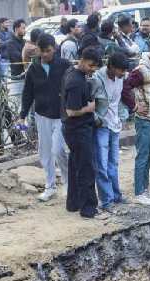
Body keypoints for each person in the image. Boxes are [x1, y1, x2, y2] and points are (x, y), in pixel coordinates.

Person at [21, 33, 70, 201]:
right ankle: (50, 186)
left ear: (54, 49)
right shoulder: (33, 69)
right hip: (42, 115)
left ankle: (68, 182)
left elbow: (73, 86)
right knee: (45, 153)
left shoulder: (64, 65)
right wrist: (22, 115)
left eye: (48, 51)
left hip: (61, 116)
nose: (45, 55)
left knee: (58, 150)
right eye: (42, 51)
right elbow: (27, 93)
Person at [122, 42, 150, 202]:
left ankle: (146, 189)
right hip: (145, 120)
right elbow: (125, 87)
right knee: (142, 155)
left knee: (148, 155)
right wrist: (134, 106)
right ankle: (139, 192)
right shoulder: (140, 71)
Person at [61, 46, 100, 219]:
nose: (93, 69)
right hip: (77, 129)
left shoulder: (74, 72)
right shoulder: (75, 81)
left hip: (74, 129)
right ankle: (88, 209)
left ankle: (73, 203)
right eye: (91, 65)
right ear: (82, 60)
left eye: (96, 67)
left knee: (75, 165)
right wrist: (89, 108)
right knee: (86, 168)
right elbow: (71, 111)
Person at [91, 51, 127, 212]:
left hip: (115, 125)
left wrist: (122, 115)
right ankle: (106, 200)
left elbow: (117, 101)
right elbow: (89, 101)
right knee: (102, 165)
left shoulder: (119, 79)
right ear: (111, 67)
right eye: (121, 70)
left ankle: (116, 195)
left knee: (114, 163)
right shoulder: (97, 79)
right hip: (102, 126)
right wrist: (97, 119)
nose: (123, 74)